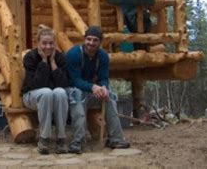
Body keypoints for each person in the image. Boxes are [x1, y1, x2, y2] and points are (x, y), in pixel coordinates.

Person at [66, 26, 130, 153]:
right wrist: (93, 87)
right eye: (88, 39)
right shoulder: (74, 54)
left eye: (95, 40)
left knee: (110, 96)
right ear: (84, 39)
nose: (91, 43)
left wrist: (104, 88)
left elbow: (103, 77)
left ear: (100, 42)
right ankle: (77, 141)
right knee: (77, 94)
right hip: (73, 91)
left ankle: (116, 138)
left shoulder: (103, 56)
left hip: (91, 91)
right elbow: (74, 80)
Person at [22, 26, 70, 155]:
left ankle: (61, 138)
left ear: (55, 43)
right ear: (37, 43)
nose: (48, 47)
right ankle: (44, 139)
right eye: (44, 43)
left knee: (60, 92)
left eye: (51, 43)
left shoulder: (60, 58)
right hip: (31, 96)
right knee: (46, 92)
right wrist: (43, 61)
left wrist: (53, 63)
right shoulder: (30, 57)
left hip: (53, 96)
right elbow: (36, 84)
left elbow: (64, 83)